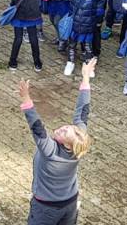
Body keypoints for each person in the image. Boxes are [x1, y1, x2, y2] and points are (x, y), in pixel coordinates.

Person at [18, 58, 96, 225]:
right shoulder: (78, 144)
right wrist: (85, 78)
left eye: (63, 133)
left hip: (46, 208)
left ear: (67, 144)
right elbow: (83, 112)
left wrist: (26, 99)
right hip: (70, 203)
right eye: (66, 127)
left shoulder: (50, 151)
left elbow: (37, 127)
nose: (61, 129)